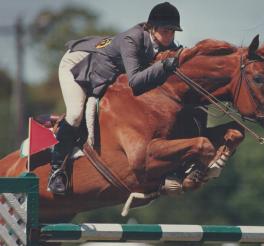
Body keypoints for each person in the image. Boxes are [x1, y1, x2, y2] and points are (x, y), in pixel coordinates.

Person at [48, 2, 183, 194]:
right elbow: (135, 81)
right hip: (78, 64)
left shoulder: (164, 45)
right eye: (166, 30)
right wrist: (164, 66)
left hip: (103, 73)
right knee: (76, 114)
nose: (170, 36)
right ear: (152, 28)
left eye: (173, 31)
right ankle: (57, 171)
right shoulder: (132, 39)